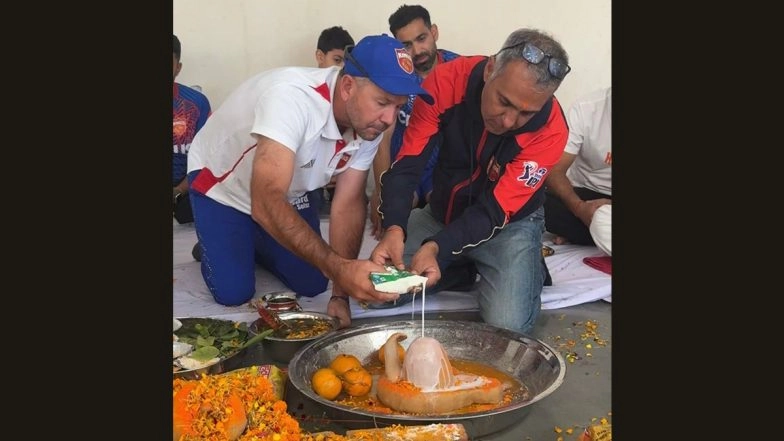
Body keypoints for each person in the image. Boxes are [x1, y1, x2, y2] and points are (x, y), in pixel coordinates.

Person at [186, 34, 434, 328]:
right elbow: (266, 200)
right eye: (382, 102)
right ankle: (222, 241)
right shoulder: (290, 99)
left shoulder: (367, 122)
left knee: (315, 282)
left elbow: (348, 203)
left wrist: (340, 293)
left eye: (398, 106)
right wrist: (340, 267)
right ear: (347, 87)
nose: (389, 119)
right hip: (220, 185)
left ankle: (254, 238)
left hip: (287, 190)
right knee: (234, 292)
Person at [371, 28, 571, 334]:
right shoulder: (445, 82)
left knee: (508, 326)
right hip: (442, 213)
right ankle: (461, 270)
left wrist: (439, 247)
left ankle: (520, 263)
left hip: (508, 225)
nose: (507, 121)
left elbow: (495, 209)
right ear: (490, 69)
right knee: (376, 293)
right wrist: (395, 226)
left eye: (525, 113)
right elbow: (408, 166)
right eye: (503, 101)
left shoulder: (552, 130)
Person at [369, 4, 459, 239]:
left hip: (441, 169)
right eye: (406, 45)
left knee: (446, 210)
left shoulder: (458, 71)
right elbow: (382, 141)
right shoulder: (393, 76)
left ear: (434, 32)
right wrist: (381, 191)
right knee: (392, 218)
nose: (417, 50)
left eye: (422, 38)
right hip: (404, 167)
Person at [543, 87, 611, 256]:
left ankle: (589, 234)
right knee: (538, 205)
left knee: (601, 220)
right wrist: (580, 209)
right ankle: (594, 231)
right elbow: (554, 172)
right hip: (586, 196)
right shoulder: (586, 108)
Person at [312, 26, 355, 213]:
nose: (341, 68)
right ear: (320, 56)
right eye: (336, 60)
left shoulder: (352, 98)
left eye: (346, 62)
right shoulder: (306, 97)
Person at [173, 34, 211, 224]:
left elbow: (206, 157)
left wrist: (178, 191)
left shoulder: (196, 103)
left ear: (178, 67)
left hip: (184, 187)